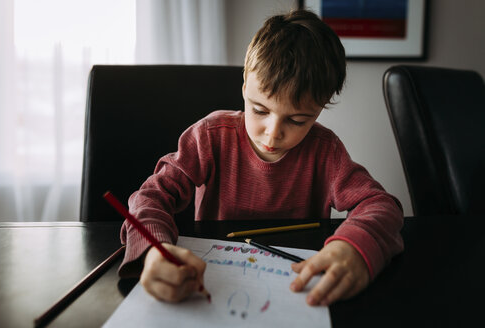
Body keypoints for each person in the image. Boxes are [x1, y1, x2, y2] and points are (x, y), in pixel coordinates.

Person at [118, 9, 404, 307]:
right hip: (213, 280)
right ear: (244, 87)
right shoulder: (210, 136)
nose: (273, 133)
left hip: (294, 287)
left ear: (319, 110)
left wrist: (355, 247)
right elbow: (150, 196)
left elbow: (381, 205)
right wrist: (154, 249)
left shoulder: (325, 151)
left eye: (296, 120)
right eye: (259, 110)